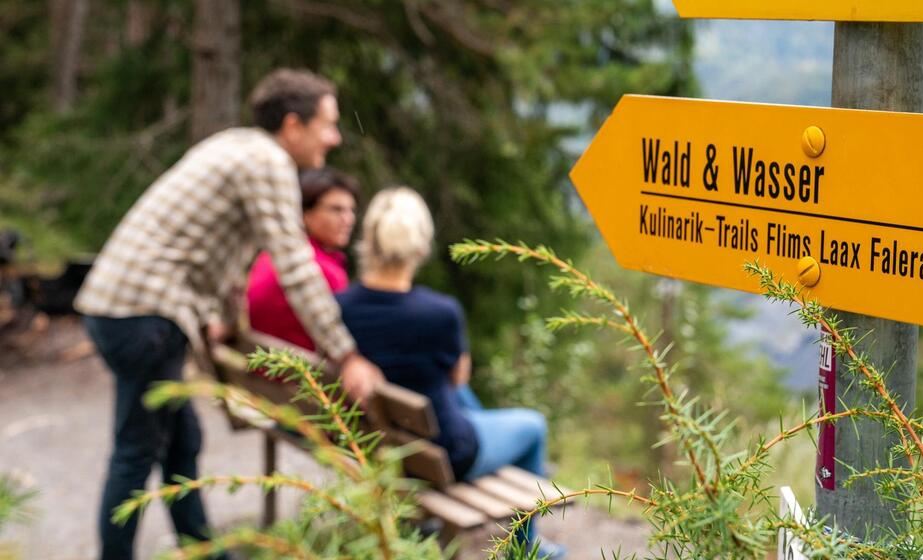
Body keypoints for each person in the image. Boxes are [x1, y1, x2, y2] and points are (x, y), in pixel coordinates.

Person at [74, 68, 382, 560]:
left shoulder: (236, 146)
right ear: (293, 125)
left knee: (182, 441)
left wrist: (225, 316)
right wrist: (346, 355)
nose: (335, 137)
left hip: (122, 309)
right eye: (327, 124)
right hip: (144, 316)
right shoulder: (267, 162)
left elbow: (219, 253)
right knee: (136, 452)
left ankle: (205, 551)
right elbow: (294, 264)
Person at [336, 187, 566, 558]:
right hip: (447, 457)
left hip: (383, 447)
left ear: (369, 242)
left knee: (452, 395)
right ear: (420, 247)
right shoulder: (440, 312)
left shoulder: (341, 305)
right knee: (533, 425)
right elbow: (459, 376)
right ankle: (524, 549)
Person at [247, 167, 359, 352]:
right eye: (336, 210)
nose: (348, 219)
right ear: (305, 213)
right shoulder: (322, 270)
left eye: (351, 210)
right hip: (299, 368)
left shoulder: (273, 254)